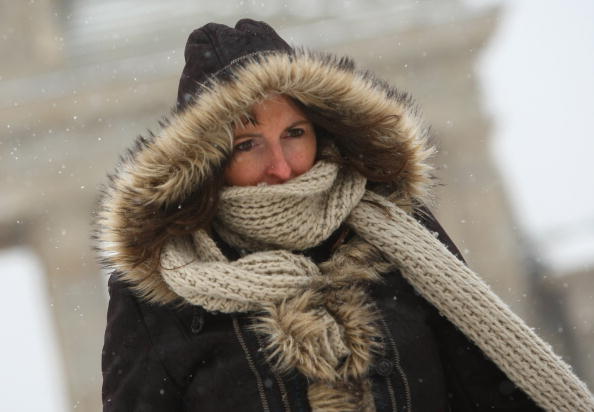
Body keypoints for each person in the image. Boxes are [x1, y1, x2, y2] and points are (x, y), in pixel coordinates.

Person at [95, 19, 593, 412]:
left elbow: (486, 389)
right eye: (248, 144)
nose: (283, 167)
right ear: (206, 162)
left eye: (294, 133)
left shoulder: (400, 236)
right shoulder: (156, 299)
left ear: (323, 130)